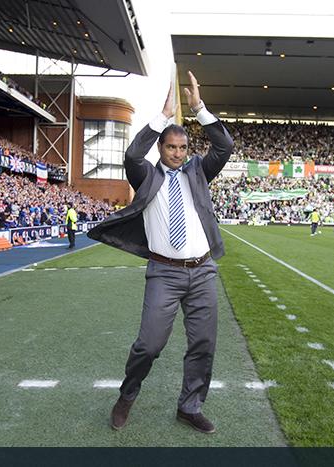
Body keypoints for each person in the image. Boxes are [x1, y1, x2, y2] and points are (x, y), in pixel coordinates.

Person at [88, 71, 233, 434]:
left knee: (203, 344)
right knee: (149, 345)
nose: (178, 153)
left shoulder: (199, 171)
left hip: (202, 271)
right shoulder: (145, 174)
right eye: (171, 147)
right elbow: (132, 151)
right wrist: (164, 116)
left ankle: (190, 406)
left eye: (183, 148)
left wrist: (198, 107)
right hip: (164, 273)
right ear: (162, 148)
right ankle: (127, 395)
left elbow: (225, 147)